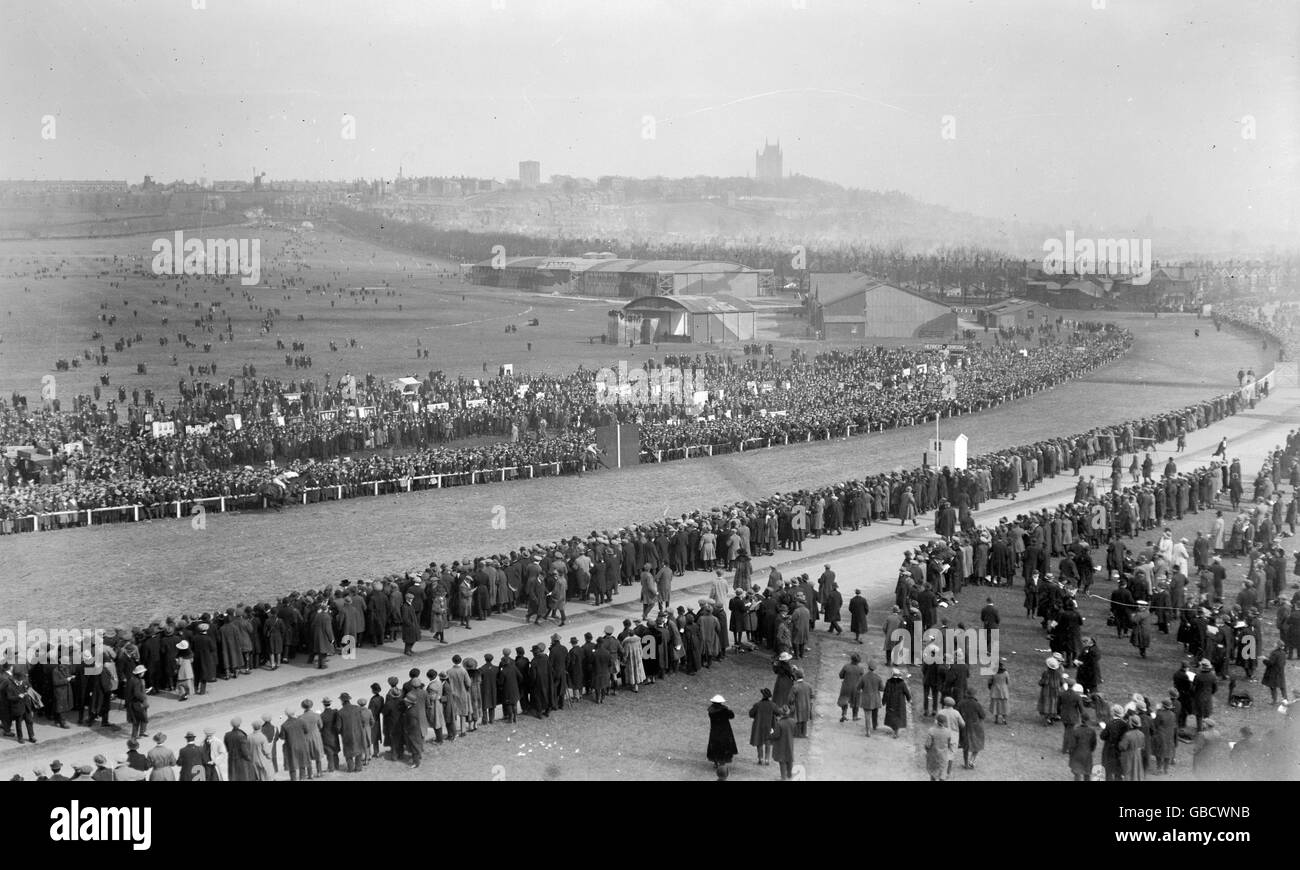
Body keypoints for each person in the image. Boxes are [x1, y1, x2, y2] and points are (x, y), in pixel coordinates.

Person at [706, 694, 738, 779]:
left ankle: (716, 762)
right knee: (724, 746)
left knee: (715, 745)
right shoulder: (724, 710)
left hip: (714, 730)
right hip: (724, 730)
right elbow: (732, 716)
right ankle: (722, 764)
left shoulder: (710, 710)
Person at [956, 689, 986, 770]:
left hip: (963, 727)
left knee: (965, 746)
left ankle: (966, 764)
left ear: (966, 694)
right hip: (975, 728)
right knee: (977, 744)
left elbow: (957, 714)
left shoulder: (961, 703)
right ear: (974, 695)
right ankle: (971, 761)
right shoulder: (976, 704)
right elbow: (983, 715)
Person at [748, 688, 777, 765]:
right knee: (768, 742)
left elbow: (751, 714)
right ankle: (767, 759)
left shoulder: (757, 705)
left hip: (759, 726)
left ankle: (760, 758)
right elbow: (778, 712)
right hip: (769, 726)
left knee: (759, 743)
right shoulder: (772, 705)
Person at [1065, 716, 1098, 781]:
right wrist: (1090, 750)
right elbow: (1094, 743)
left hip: (1077, 754)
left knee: (1077, 773)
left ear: (1081, 720)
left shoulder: (1076, 730)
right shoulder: (1092, 731)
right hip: (1087, 754)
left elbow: (1072, 745)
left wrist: (1071, 752)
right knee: (1087, 773)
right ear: (1088, 721)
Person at [770, 705, 797, 780]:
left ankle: (783, 778)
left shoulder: (779, 723)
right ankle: (789, 775)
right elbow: (795, 732)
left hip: (781, 745)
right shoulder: (792, 721)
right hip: (790, 743)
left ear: (781, 714)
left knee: (782, 761)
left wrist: (771, 733)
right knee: (789, 759)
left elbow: (776, 735)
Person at [882, 668, 911, 738]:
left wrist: (884, 701)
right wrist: (908, 698)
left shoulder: (888, 682)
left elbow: (886, 692)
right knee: (898, 717)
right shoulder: (902, 683)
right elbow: (906, 692)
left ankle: (895, 731)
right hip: (899, 703)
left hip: (891, 702)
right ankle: (896, 731)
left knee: (892, 716)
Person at [859, 660, 885, 734]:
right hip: (875, 699)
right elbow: (882, 688)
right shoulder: (878, 678)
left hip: (866, 698)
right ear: (875, 668)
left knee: (867, 715)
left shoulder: (864, 677)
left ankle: (868, 731)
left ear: (868, 667)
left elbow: (858, 687)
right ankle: (874, 726)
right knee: (875, 712)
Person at [837, 653, 864, 722]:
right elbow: (862, 679)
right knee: (856, 701)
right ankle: (855, 716)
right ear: (858, 661)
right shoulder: (860, 669)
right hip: (856, 688)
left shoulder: (846, 666)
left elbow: (840, 676)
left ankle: (844, 714)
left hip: (846, 687)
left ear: (851, 659)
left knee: (844, 700)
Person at [1118, 714, 1146, 781]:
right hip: (1138, 755)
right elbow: (1143, 746)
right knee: (1137, 771)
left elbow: (1122, 747)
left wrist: (1119, 743)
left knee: (1128, 771)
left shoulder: (1127, 735)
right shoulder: (1141, 734)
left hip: (1129, 755)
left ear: (1131, 724)